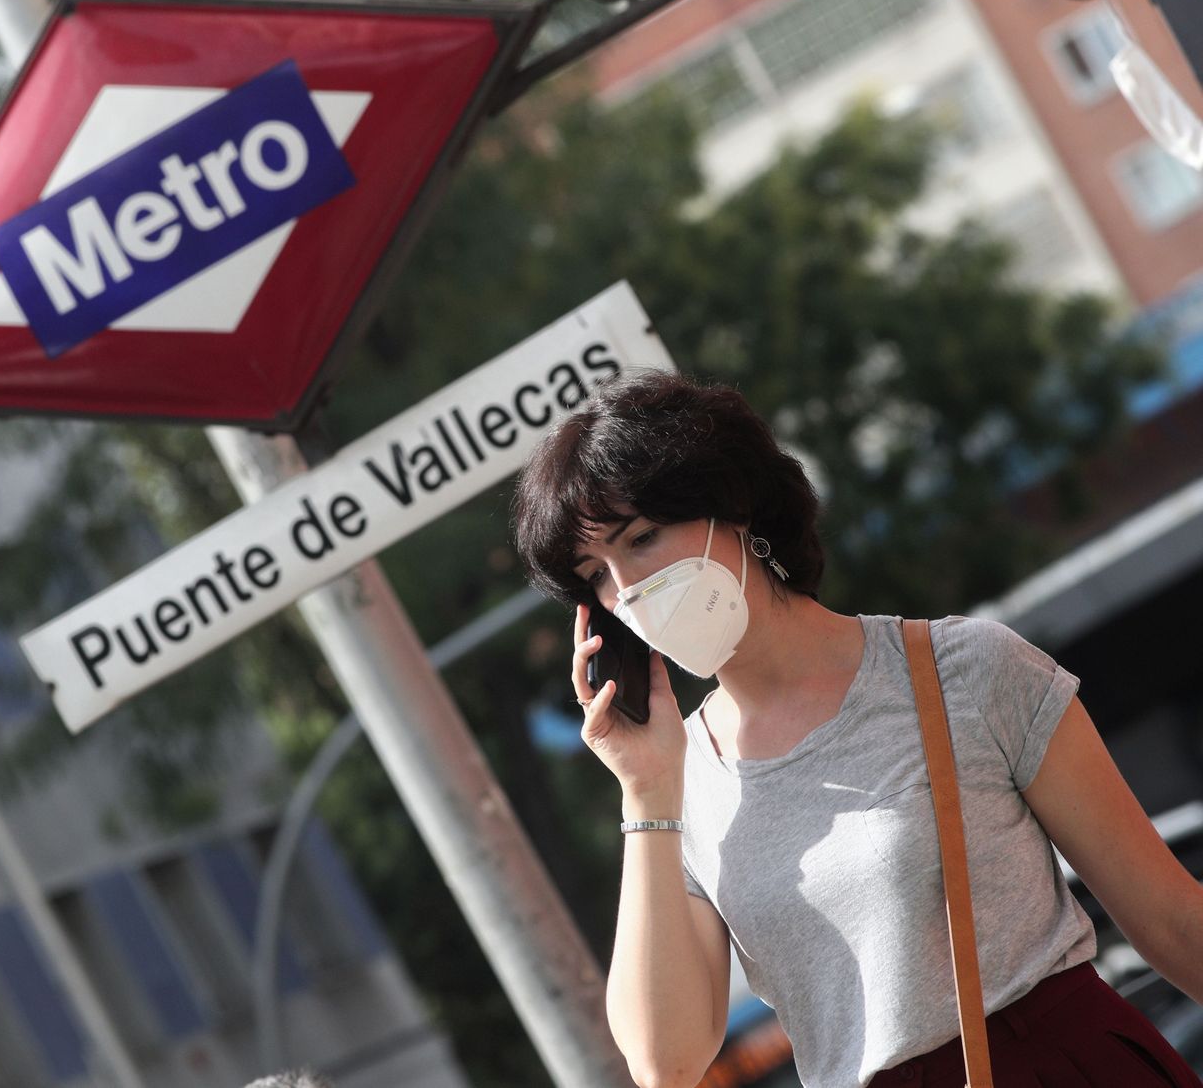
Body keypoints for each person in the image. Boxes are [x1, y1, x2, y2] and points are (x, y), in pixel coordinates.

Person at [510, 368, 1203, 1088]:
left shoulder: (964, 669)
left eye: (643, 537)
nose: (625, 590)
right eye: (595, 573)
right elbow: (664, 1061)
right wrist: (646, 793)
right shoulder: (681, 784)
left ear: (732, 507)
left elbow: (1170, 920)